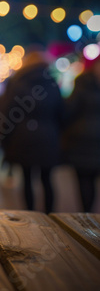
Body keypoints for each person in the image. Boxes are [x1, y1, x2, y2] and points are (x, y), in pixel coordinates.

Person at [0, 52, 63, 213]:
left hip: (23, 137)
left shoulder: (18, 83)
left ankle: (31, 213)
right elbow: (61, 113)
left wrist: (5, 139)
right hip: (48, 137)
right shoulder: (52, 84)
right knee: (47, 179)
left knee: (27, 178)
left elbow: (9, 113)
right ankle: (49, 214)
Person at [62, 57, 100, 212]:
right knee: (86, 179)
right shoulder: (83, 83)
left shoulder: (82, 84)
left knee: (85, 180)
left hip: (82, 139)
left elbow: (69, 110)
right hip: (86, 141)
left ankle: (87, 216)